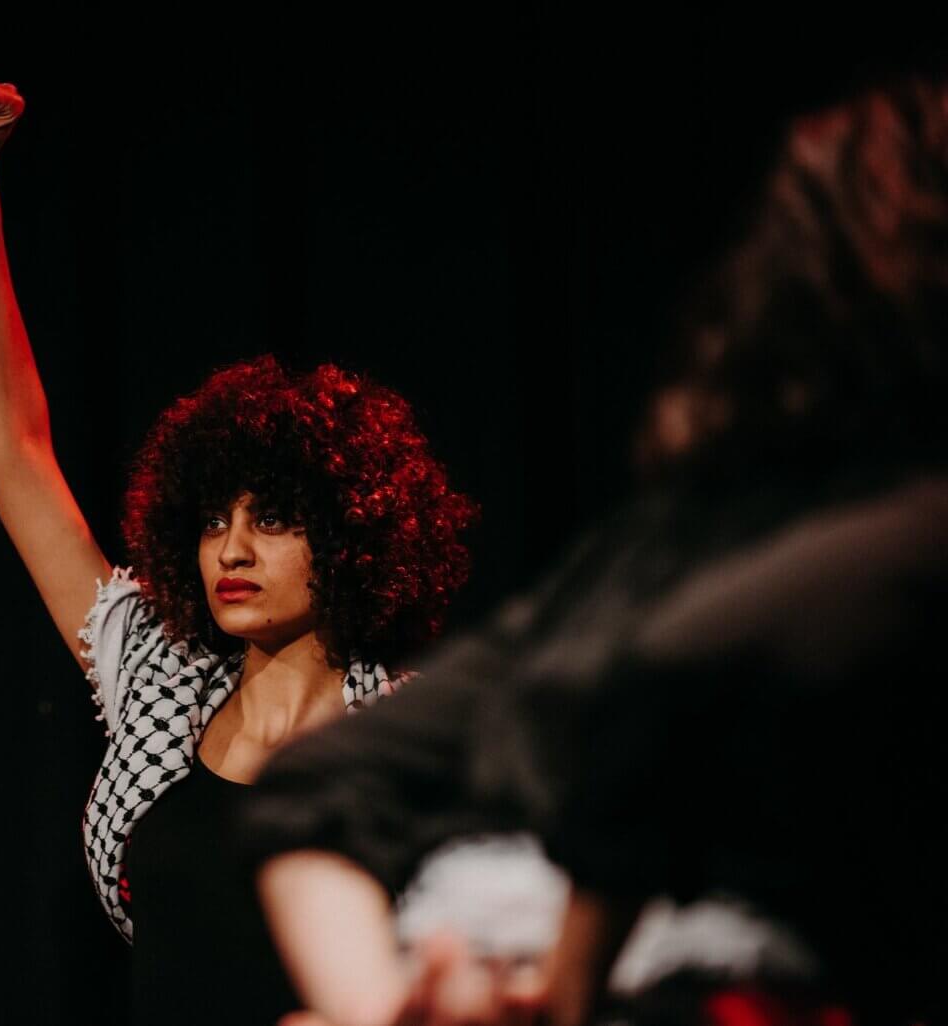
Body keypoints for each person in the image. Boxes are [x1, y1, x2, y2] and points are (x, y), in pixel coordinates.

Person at [240, 75, 948, 1026]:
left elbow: (674, 695)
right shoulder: (672, 535)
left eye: (273, 519)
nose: (234, 549)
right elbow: (317, 788)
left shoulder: (889, 538)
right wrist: (377, 1010)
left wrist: (570, 979)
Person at [0, 78, 477, 1025]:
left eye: (271, 520)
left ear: (348, 535)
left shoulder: (415, 743)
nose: (230, 547)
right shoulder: (159, 678)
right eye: (212, 520)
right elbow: (9, 447)